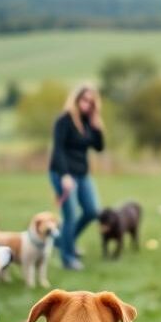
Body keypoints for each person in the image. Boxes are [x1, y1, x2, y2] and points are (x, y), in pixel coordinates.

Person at [48, 84, 105, 270]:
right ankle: (68, 258)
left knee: (92, 211)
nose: (88, 104)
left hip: (82, 174)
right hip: (61, 173)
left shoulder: (89, 122)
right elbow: (58, 150)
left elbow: (99, 147)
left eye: (92, 102)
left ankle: (63, 241)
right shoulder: (63, 120)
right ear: (76, 99)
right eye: (85, 100)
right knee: (70, 214)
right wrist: (64, 176)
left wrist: (97, 126)